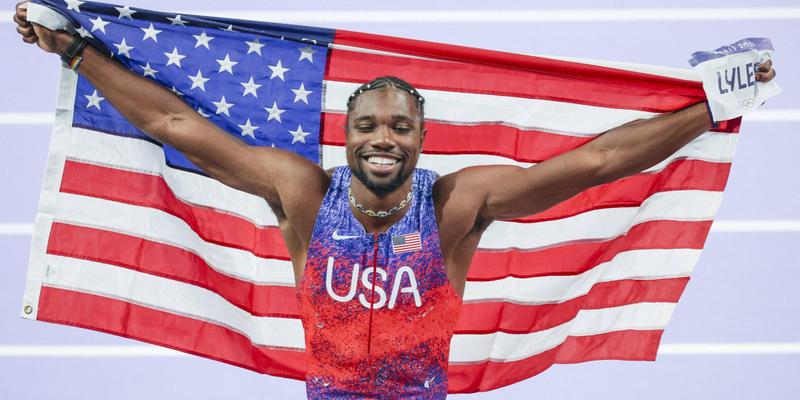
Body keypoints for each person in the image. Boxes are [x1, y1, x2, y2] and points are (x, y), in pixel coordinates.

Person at [13, 2, 777, 399]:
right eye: (370, 124)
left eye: (401, 126)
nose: (385, 137)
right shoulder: (301, 192)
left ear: (420, 136)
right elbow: (173, 123)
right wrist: (78, 52)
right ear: (348, 136)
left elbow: (598, 161)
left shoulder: (457, 205)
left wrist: (707, 109)